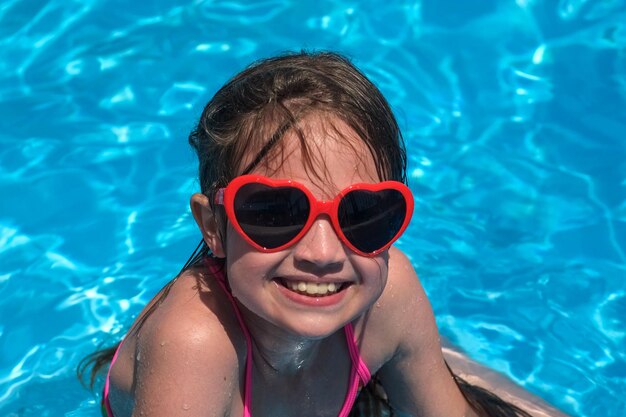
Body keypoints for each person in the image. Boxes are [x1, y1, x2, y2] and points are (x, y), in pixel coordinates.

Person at [79, 51, 569, 417]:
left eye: (362, 214)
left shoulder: (388, 292)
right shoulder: (196, 342)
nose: (322, 252)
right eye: (274, 211)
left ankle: (432, 354)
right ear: (214, 226)